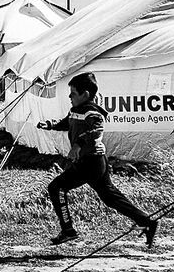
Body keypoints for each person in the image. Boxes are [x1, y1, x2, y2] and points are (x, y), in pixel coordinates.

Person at [37, 73, 159, 247]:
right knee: (110, 198)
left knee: (56, 188)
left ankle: (68, 231)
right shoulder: (75, 110)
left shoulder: (93, 113)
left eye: (73, 93)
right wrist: (49, 124)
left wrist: (78, 145)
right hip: (91, 162)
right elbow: (67, 123)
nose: (70, 97)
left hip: (91, 162)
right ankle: (147, 221)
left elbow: (94, 131)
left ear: (85, 94)